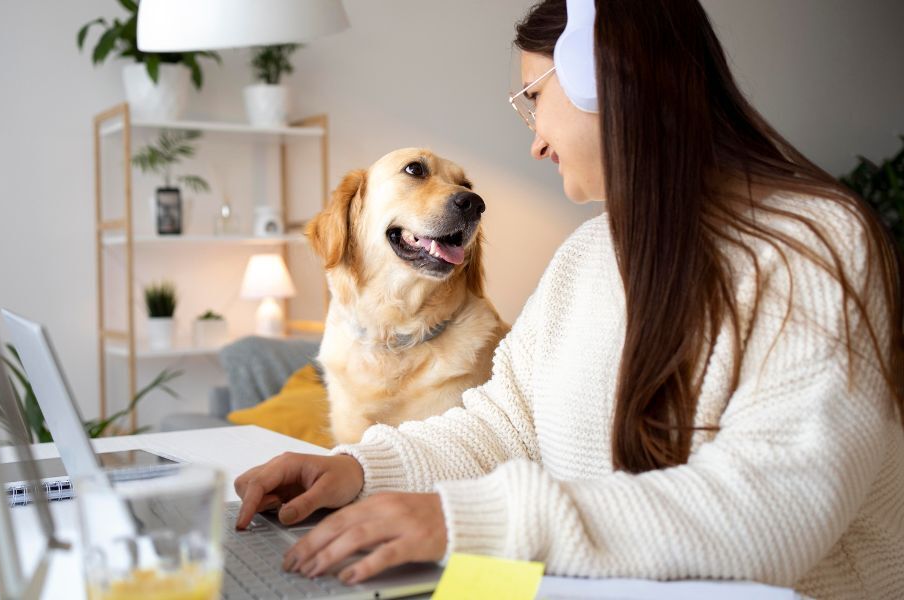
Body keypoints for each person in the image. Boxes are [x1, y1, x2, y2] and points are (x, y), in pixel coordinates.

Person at [234, 1, 904, 597]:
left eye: (533, 96)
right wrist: (355, 470)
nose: (535, 138)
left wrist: (463, 520)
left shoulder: (815, 245)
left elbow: (775, 510)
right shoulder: (587, 255)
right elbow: (503, 425)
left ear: (604, 76)